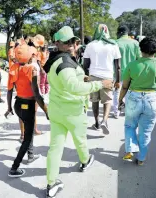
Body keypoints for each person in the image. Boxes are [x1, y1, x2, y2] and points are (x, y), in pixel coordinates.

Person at [44, 26, 113, 198]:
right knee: (80, 141)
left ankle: (51, 183)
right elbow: (74, 87)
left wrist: (84, 77)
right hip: (72, 111)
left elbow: (70, 80)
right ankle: (85, 161)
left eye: (73, 41)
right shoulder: (65, 64)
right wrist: (100, 84)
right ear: (57, 43)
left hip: (56, 110)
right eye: (66, 42)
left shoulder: (55, 59)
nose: (71, 45)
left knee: (55, 148)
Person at [118, 37, 156, 165]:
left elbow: (125, 86)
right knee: (145, 131)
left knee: (130, 126)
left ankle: (130, 149)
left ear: (140, 49)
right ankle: (141, 158)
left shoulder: (132, 65)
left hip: (134, 98)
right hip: (152, 99)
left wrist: (120, 100)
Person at [5, 43, 48, 177]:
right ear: (29, 56)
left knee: (28, 131)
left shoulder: (13, 68)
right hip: (28, 105)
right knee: (27, 138)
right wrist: (46, 110)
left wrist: (9, 108)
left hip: (18, 105)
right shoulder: (31, 70)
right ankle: (14, 167)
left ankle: (30, 155)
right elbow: (36, 93)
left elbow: (9, 91)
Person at [83, 24, 121, 134]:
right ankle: (105, 120)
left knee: (94, 101)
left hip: (93, 77)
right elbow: (118, 66)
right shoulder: (113, 45)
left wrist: (86, 77)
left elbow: (85, 64)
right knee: (107, 101)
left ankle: (97, 123)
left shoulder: (90, 45)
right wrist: (118, 81)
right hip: (107, 77)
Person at [113, 25, 141, 118]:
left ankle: (116, 112)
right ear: (127, 33)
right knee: (129, 92)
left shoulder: (115, 43)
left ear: (119, 33)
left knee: (117, 92)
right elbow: (138, 58)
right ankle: (126, 111)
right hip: (132, 72)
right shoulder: (135, 43)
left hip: (117, 72)